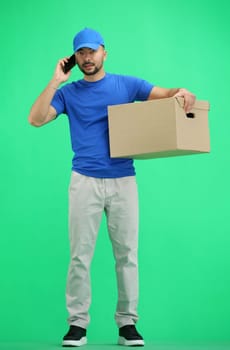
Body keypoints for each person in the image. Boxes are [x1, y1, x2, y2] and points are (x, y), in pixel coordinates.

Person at [28, 27, 196, 347]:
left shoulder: (126, 84)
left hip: (123, 179)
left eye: (92, 51)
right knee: (80, 256)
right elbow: (36, 119)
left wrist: (182, 90)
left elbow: (164, 93)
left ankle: (127, 325)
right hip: (84, 181)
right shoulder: (68, 93)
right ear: (73, 58)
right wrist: (55, 81)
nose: (87, 57)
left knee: (127, 254)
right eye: (80, 53)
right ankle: (77, 325)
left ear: (105, 51)